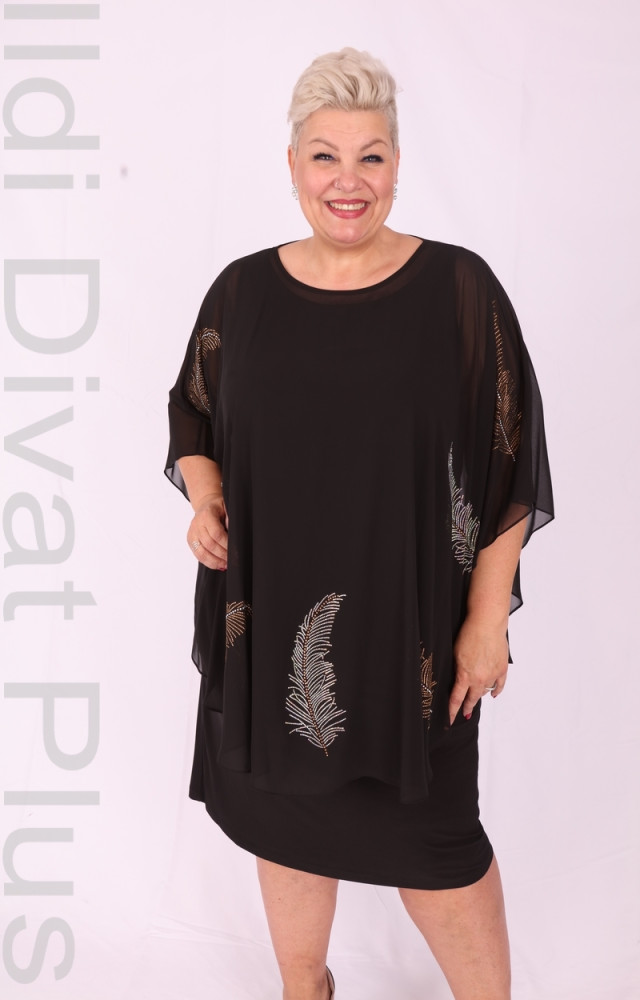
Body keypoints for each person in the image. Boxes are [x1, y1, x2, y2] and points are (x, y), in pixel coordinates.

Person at [165, 47, 553, 1000]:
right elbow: (193, 417)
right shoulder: (242, 293)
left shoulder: (458, 290)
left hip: (408, 638)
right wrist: (206, 500)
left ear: (397, 164)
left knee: (437, 845)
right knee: (285, 824)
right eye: (326, 157)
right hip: (269, 628)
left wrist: (487, 618)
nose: (349, 181)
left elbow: (510, 452)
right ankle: (306, 991)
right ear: (293, 165)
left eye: (371, 157)